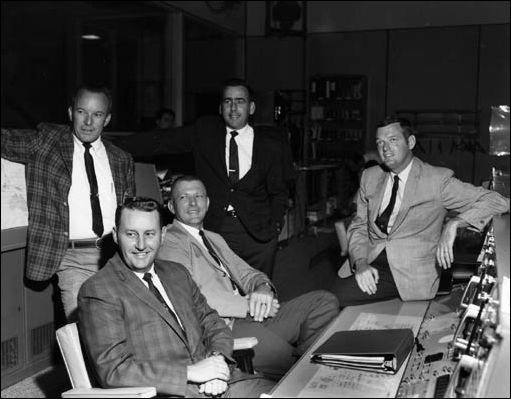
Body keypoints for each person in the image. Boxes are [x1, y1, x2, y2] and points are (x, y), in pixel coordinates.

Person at [78, 197, 274, 397]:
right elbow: (114, 371)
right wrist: (191, 373)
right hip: (168, 392)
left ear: (162, 235)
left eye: (150, 234)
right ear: (116, 235)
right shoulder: (99, 290)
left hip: (222, 383)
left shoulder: (177, 273)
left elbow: (214, 324)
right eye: (131, 234)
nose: (141, 244)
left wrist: (216, 363)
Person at [157, 175, 340, 380]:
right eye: (184, 197)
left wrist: (262, 288)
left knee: (323, 302)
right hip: (223, 328)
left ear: (207, 203)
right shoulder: (170, 241)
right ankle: (291, 369)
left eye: (198, 196)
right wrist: (248, 304)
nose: (193, 203)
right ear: (171, 206)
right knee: (297, 369)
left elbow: (248, 273)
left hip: (250, 316)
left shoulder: (213, 237)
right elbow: (193, 298)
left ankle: (290, 362)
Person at [330, 116, 510, 306]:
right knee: (329, 297)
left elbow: (498, 201)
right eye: (380, 142)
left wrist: (454, 224)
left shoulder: (436, 179)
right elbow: (359, 226)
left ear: (411, 142)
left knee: (333, 299)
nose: (385, 148)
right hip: (369, 259)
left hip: (409, 273)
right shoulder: (370, 176)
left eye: (393, 140)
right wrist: (360, 263)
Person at [121, 78, 288, 279]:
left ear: (251, 107)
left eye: (240, 101)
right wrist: (113, 146)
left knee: (260, 298)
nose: (233, 108)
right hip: (214, 231)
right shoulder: (205, 132)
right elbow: (164, 141)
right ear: (220, 107)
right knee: (218, 297)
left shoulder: (271, 144)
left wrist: (275, 226)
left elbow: (279, 191)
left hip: (258, 237)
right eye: (228, 101)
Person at [1, 85, 135, 322]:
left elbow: (130, 213)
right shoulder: (46, 142)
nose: (88, 121)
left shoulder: (121, 159)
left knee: (123, 328)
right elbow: (5, 140)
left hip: (116, 256)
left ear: (108, 119)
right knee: (84, 332)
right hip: (72, 259)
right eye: (82, 112)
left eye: (97, 114)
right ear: (71, 113)